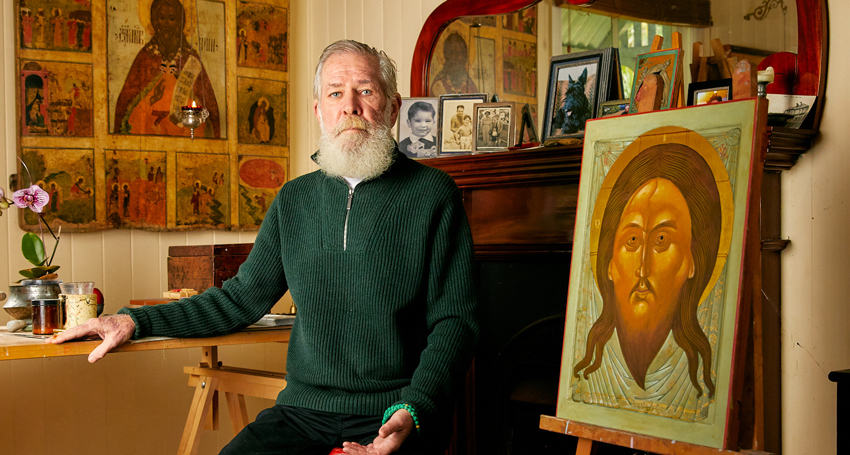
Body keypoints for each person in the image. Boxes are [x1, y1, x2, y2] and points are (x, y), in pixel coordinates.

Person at [51, 39, 479, 455]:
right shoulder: (294, 199)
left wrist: (415, 406)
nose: (350, 106)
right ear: (319, 111)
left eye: (365, 91)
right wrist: (132, 321)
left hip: (395, 411)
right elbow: (239, 300)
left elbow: (455, 321)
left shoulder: (433, 194)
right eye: (335, 93)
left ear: (392, 108)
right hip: (303, 412)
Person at [572, 143, 724, 420]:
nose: (643, 268)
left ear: (691, 262)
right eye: (632, 240)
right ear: (609, 262)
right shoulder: (592, 370)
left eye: (661, 240)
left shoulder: (695, 377)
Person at [113, 0, 221, 137]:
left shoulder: (190, 57)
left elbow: (207, 102)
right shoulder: (146, 56)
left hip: (184, 129)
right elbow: (128, 99)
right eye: (162, 18)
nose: (166, 24)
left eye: (171, 19)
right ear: (155, 21)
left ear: (180, 23)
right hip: (149, 128)